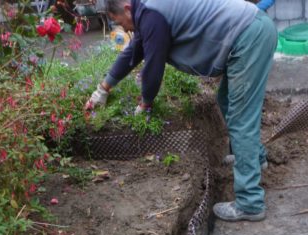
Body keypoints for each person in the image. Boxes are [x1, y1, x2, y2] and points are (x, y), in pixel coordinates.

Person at [86, 0, 277, 222]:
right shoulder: (147, 11)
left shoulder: (151, 15)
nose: (124, 29)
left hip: (249, 36)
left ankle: (250, 202)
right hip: (251, 30)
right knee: (226, 100)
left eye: (120, 23)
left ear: (127, 8)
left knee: (241, 118)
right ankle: (256, 159)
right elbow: (133, 53)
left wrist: (146, 102)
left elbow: (153, 67)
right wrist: (103, 89)